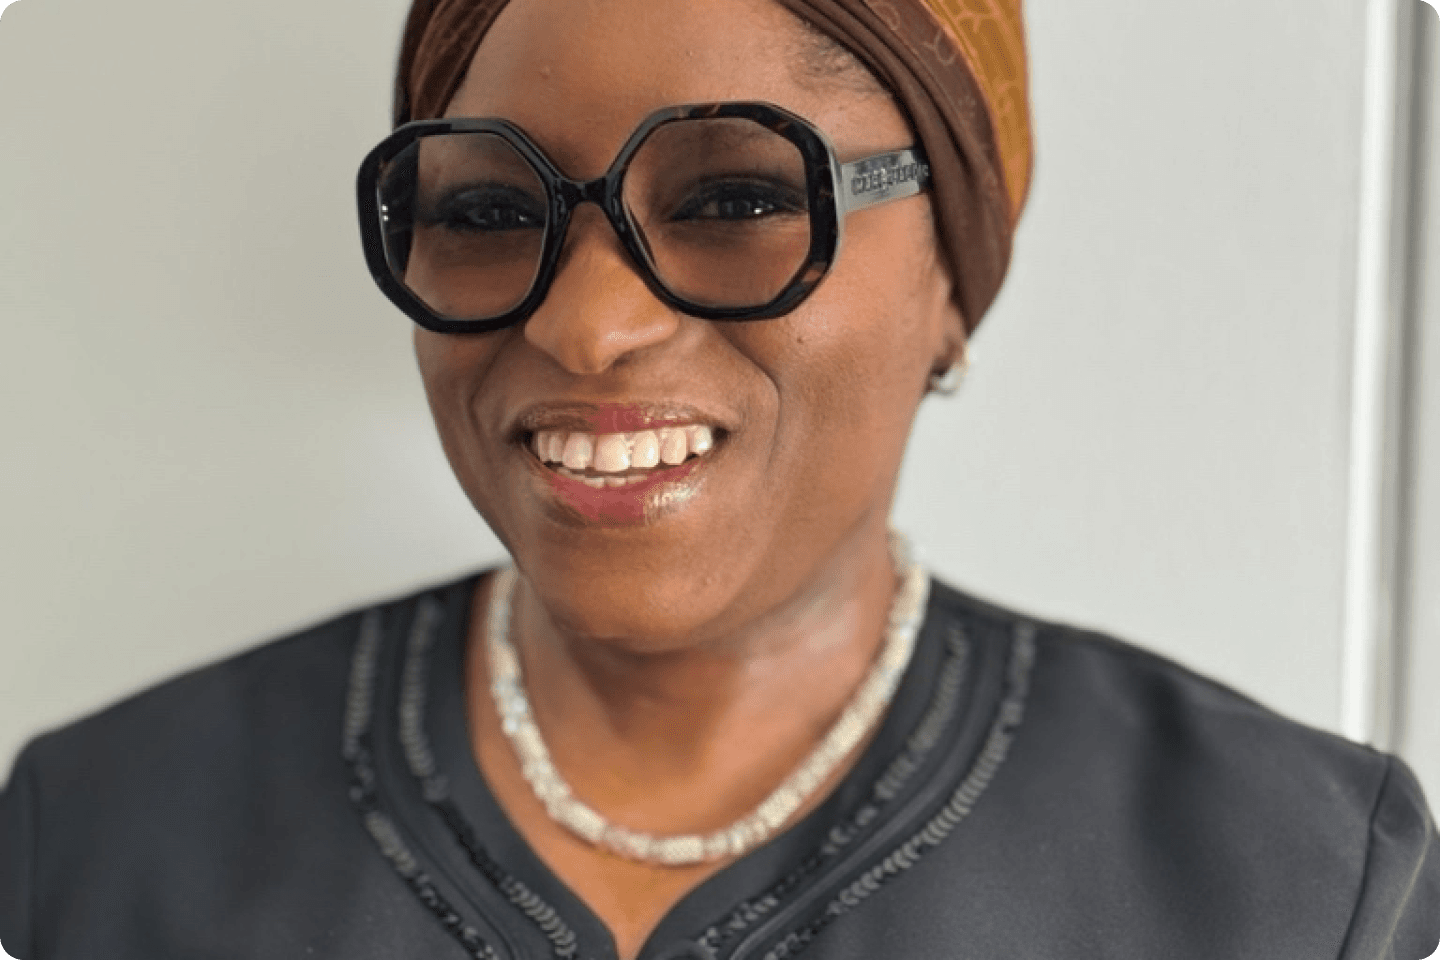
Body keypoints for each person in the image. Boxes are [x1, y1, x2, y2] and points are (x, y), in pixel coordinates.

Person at [1, 0, 1437, 957]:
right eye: (490, 211)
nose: (584, 324)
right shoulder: (105, 838)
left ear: (955, 272)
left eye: (738, 198)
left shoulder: (1292, 884)